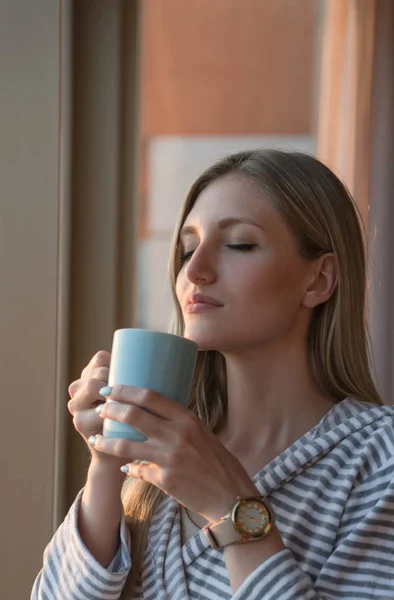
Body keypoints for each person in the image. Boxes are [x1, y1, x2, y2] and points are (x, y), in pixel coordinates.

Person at [31, 149, 394, 600]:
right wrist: (108, 460)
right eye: (187, 249)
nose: (195, 271)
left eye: (239, 243)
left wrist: (233, 509)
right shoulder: (164, 450)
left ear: (318, 280)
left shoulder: (380, 462)